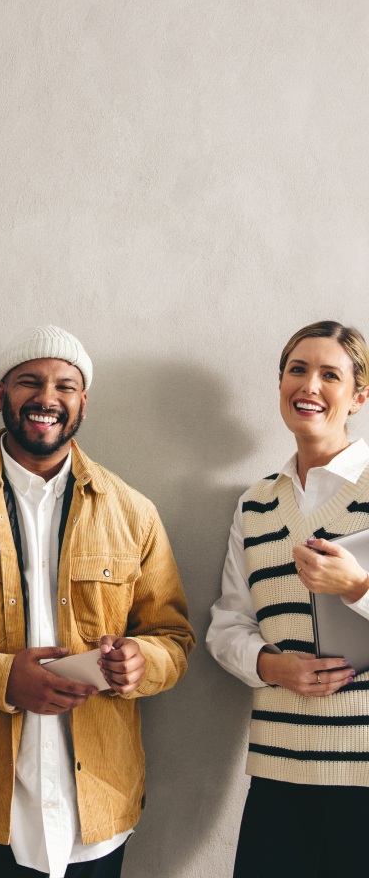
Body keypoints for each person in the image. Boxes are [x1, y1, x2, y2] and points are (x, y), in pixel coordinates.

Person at [0, 324, 194, 878]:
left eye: (65, 386)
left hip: (97, 804)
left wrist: (142, 664)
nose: (47, 398)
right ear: (2, 395)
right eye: (30, 382)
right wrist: (0, 680)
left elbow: (173, 637)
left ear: (83, 405)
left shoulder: (133, 512)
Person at [207, 320, 369, 877]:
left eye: (331, 374)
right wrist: (271, 666)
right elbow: (229, 621)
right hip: (279, 770)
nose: (310, 385)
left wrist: (358, 588)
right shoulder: (255, 504)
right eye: (297, 370)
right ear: (280, 383)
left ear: (359, 395)